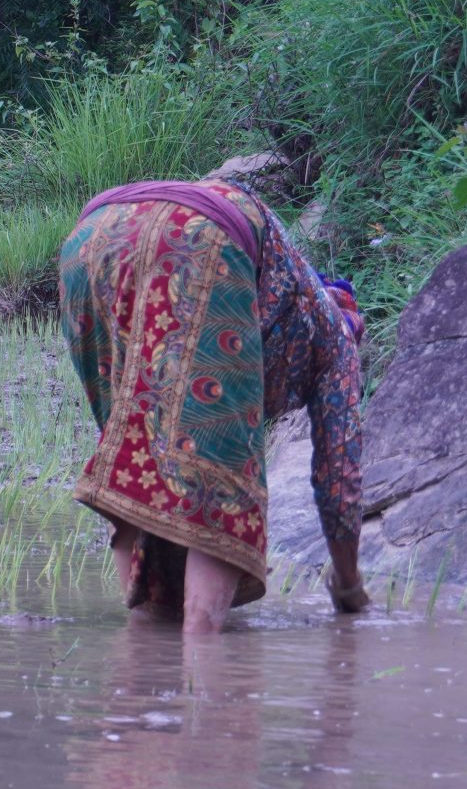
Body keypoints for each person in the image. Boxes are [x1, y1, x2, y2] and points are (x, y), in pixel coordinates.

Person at [60, 177, 370, 633]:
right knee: (223, 474)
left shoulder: (286, 293)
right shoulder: (338, 336)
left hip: (90, 240)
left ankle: (143, 647)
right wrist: (349, 586)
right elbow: (339, 474)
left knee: (134, 453)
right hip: (196, 236)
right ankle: (201, 650)